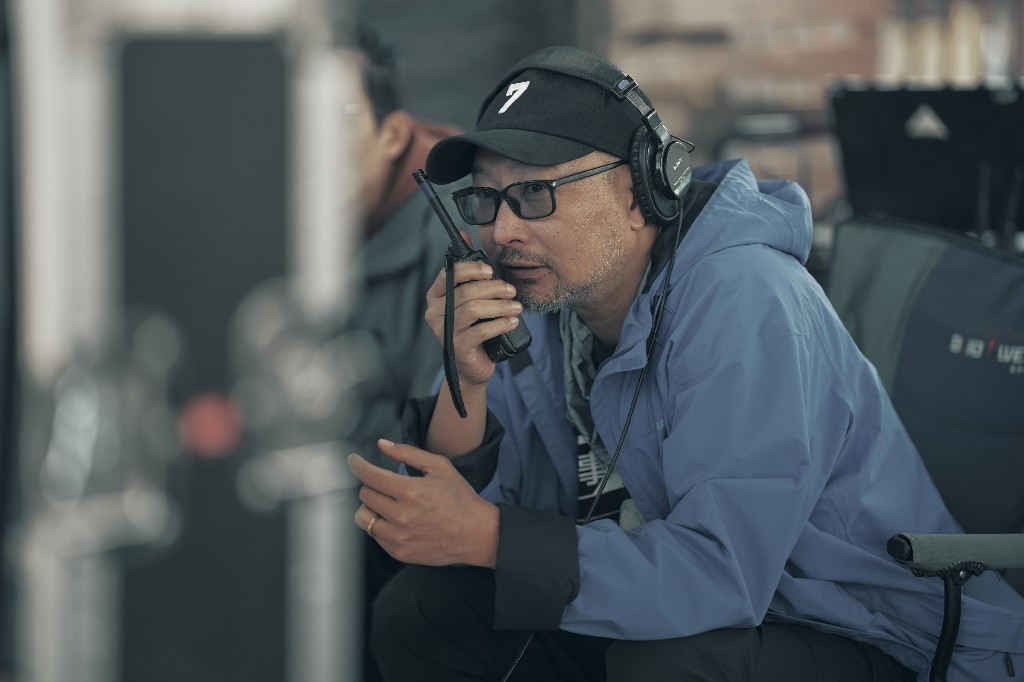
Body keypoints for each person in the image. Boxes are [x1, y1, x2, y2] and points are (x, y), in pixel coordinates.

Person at [346, 45, 1024, 681]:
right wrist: (465, 380)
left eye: (534, 194)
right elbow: (456, 528)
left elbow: (722, 577)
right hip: (657, 609)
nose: (501, 231)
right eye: (486, 199)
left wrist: (490, 536)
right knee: (423, 611)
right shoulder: (545, 306)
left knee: (669, 665)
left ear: (641, 191)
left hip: (859, 629)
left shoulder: (747, 301)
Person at [332, 20, 460, 468]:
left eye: (336, 119)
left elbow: (436, 453)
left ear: (393, 135)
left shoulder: (457, 233)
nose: (311, 145)